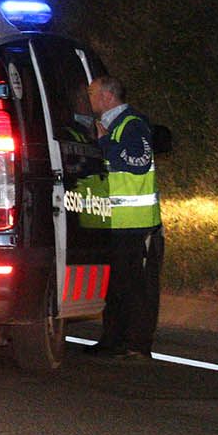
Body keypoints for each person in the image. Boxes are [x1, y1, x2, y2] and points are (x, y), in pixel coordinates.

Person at [85, 74, 163, 362]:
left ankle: (137, 345)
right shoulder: (111, 125)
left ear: (107, 96)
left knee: (135, 286)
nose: (89, 99)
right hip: (115, 221)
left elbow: (139, 162)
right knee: (115, 284)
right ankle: (112, 341)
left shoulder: (133, 124)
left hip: (136, 223)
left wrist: (104, 143)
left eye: (92, 93)